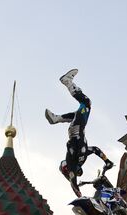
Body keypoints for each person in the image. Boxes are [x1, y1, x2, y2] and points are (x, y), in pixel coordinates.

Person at [45, 69, 114, 197]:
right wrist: (107, 161)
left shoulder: (71, 160)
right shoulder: (81, 157)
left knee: (86, 103)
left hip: (76, 130)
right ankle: (57, 118)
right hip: (76, 129)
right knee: (79, 112)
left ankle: (67, 83)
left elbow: (72, 179)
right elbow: (95, 149)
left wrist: (77, 192)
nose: (77, 173)